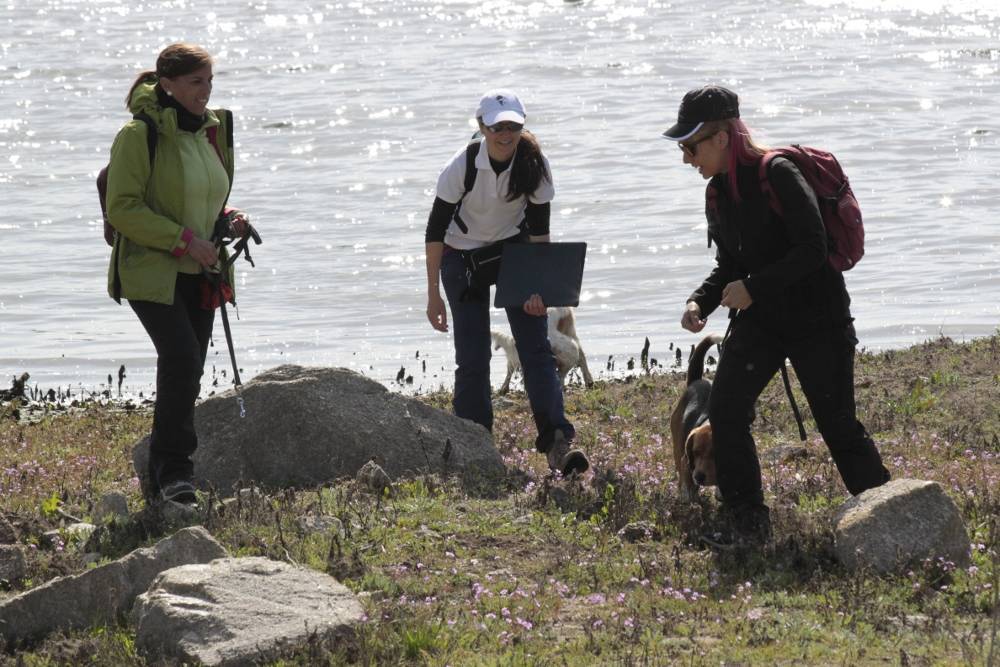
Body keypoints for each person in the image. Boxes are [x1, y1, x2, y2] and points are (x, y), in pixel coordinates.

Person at [662, 85, 890, 546]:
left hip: (817, 317)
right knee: (724, 412)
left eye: (691, 145)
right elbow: (729, 264)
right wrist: (699, 302)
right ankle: (747, 524)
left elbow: (814, 249)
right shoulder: (718, 192)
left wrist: (753, 287)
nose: (686, 157)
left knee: (838, 427)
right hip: (761, 321)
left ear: (722, 137)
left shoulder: (778, 172)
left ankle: (891, 516)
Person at [105, 43, 249, 504]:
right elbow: (123, 208)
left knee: (187, 371)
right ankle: (176, 475)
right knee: (182, 358)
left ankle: (159, 480)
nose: (205, 92)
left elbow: (205, 194)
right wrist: (184, 240)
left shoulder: (211, 131)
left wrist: (229, 216)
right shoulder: (138, 135)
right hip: (150, 271)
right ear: (167, 84)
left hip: (202, 271)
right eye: (195, 82)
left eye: (209, 81)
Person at [424, 90, 588, 476]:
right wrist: (433, 295)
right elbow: (434, 232)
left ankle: (558, 443)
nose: (506, 133)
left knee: (536, 350)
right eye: (498, 126)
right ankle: (473, 442)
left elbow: (539, 235)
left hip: (514, 253)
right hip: (459, 256)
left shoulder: (535, 165)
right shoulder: (460, 167)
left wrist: (539, 291)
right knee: (474, 357)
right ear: (482, 127)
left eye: (514, 125)